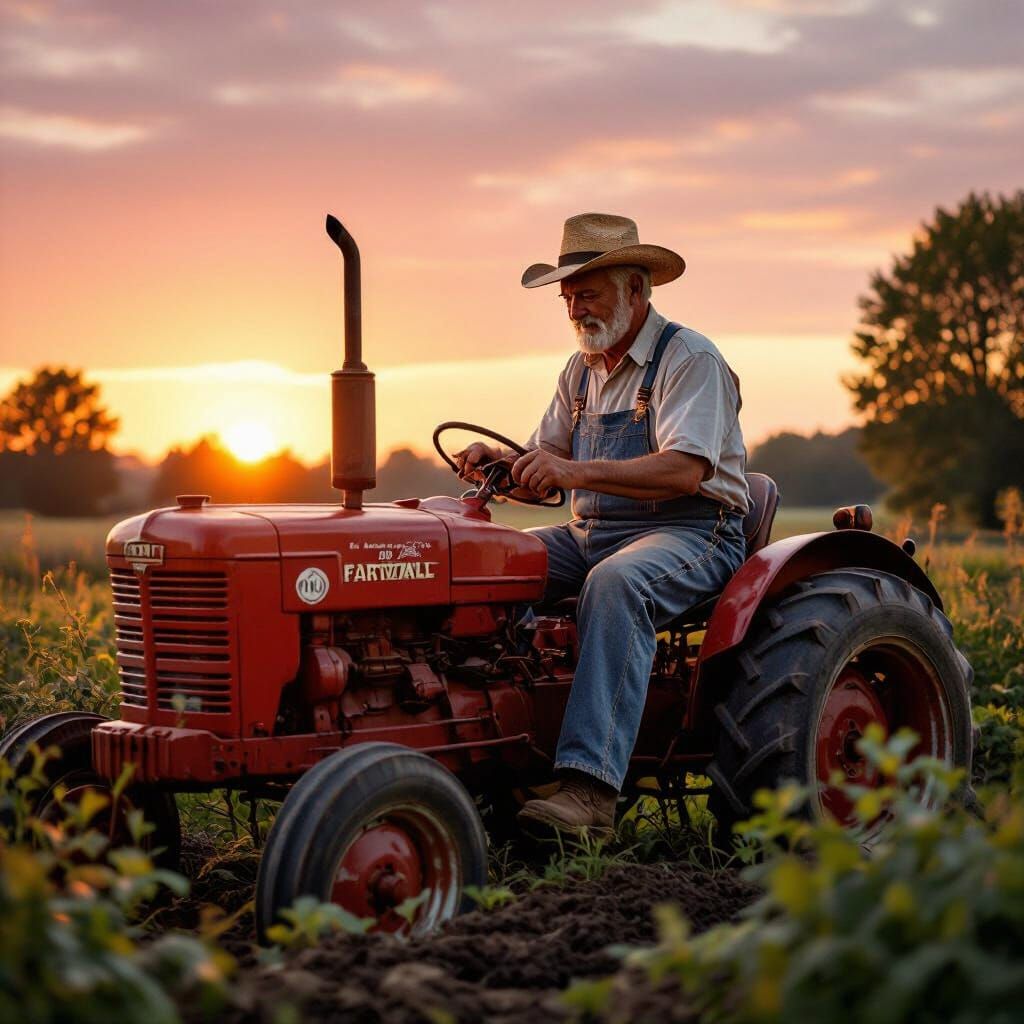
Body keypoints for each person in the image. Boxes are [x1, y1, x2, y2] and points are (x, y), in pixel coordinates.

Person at [455, 212, 750, 835]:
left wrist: (573, 474)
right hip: (592, 533)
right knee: (492, 567)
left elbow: (684, 471)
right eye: (567, 296)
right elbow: (546, 459)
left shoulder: (689, 358)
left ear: (636, 289)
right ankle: (501, 758)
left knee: (617, 584)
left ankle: (590, 792)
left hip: (694, 533)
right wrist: (506, 466)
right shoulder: (579, 371)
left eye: (586, 291)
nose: (572, 308)